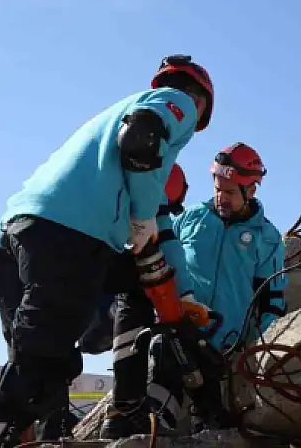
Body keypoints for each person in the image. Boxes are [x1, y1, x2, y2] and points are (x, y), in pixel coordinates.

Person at [0, 55, 214, 448]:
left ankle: (67, 425)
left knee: (49, 362)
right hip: (67, 237)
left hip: (10, 243)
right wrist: (144, 215)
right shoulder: (175, 103)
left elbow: (161, 239)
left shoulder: (106, 138)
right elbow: (142, 139)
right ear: (200, 107)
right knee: (41, 365)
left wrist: (181, 296)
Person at [99, 142, 287, 438]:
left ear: (250, 191)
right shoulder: (190, 220)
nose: (221, 198)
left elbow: (272, 299)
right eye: (217, 189)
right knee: (165, 364)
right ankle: (151, 430)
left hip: (223, 344)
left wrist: (255, 352)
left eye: (229, 193)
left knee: (210, 420)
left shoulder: (267, 237)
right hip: (178, 325)